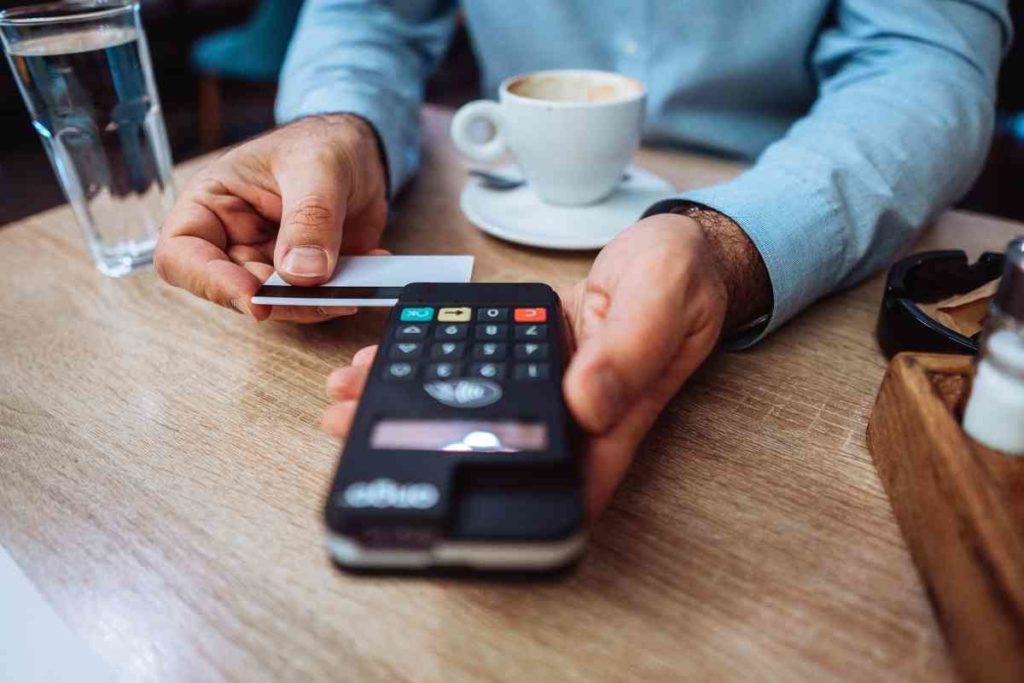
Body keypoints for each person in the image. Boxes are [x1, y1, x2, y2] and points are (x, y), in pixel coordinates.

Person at [155, 0, 1011, 515]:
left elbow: (924, 57)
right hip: (474, 227)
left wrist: (730, 242)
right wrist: (340, 124)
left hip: (796, 238)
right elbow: (370, 16)